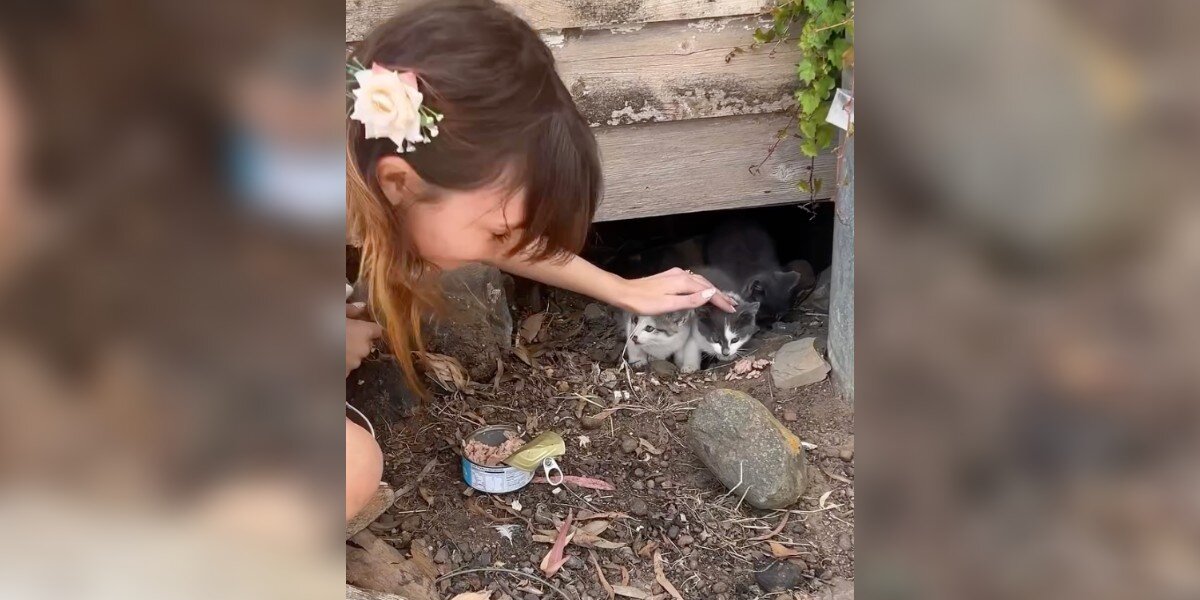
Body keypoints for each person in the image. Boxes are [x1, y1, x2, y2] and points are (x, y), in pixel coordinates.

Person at [344, 0, 734, 521]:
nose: (508, 244)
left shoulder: (364, 143)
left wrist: (619, 286)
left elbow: (500, 239)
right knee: (352, 468)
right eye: (499, 229)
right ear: (398, 184)